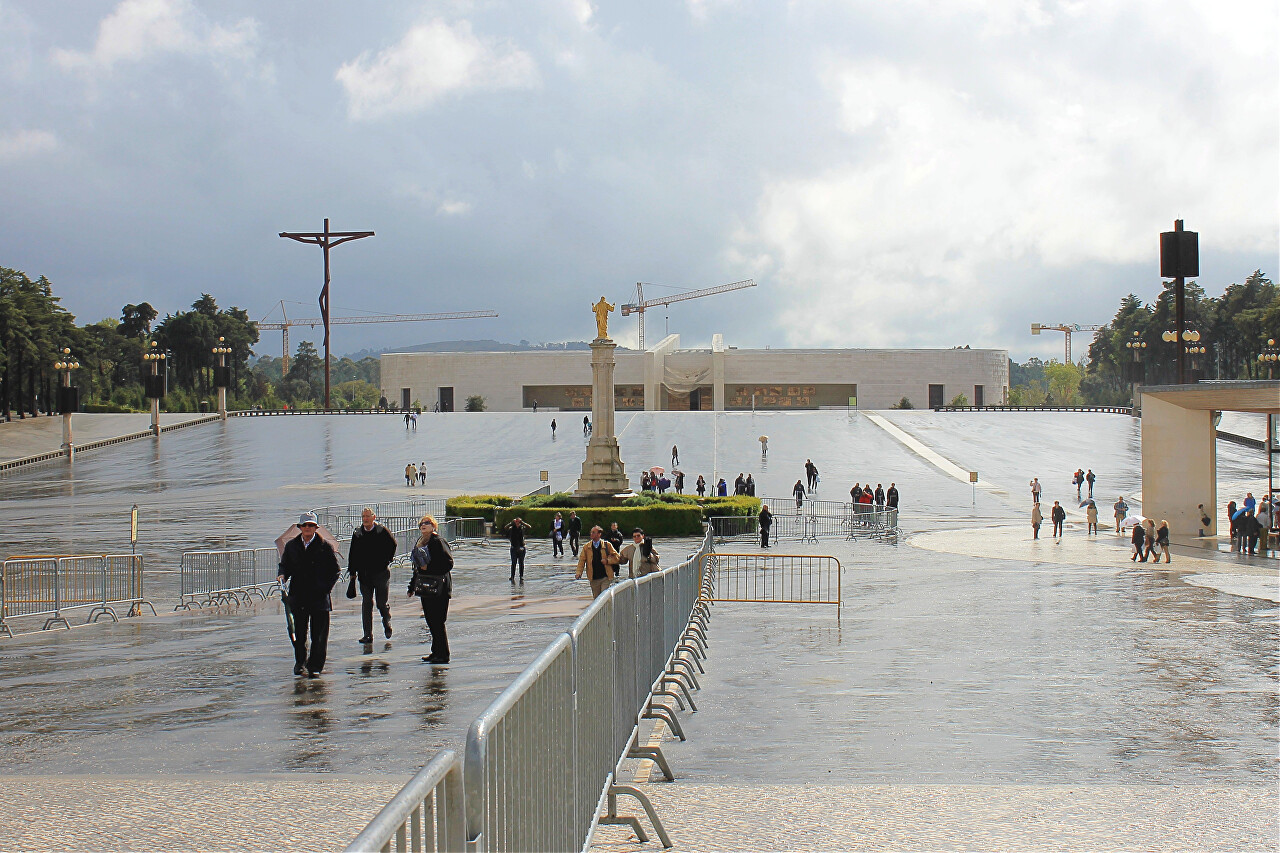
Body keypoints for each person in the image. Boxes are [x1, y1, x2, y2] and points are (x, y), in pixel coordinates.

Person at [278, 512, 341, 677]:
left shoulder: (324, 546)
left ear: (316, 528)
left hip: (319, 598)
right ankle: (300, 662)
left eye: (311, 525)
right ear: (300, 528)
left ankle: (315, 666)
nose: (308, 528)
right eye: (305, 525)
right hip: (298, 596)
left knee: (318, 635)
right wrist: (282, 574)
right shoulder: (292, 546)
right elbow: (284, 565)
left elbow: (335, 571)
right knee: (299, 632)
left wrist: (325, 588)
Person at [407, 515, 454, 664]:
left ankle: (443, 654)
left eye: (427, 523)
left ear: (433, 526)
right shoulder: (420, 542)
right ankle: (435, 652)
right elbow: (418, 568)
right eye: (421, 523)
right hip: (426, 588)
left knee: (438, 621)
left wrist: (430, 568)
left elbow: (448, 563)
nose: (423, 525)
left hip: (439, 588)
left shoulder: (438, 541)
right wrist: (412, 586)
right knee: (430, 621)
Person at [349, 508, 397, 644]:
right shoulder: (358, 533)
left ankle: (386, 620)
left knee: (381, 603)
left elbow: (393, 544)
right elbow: (352, 554)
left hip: (381, 573)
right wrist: (352, 573)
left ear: (373, 517)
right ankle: (367, 635)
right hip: (364, 575)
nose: (365, 519)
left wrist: (388, 559)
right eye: (363, 516)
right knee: (367, 603)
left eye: (367, 516)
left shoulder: (381, 531)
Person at [575, 525, 619, 598]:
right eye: (591, 532)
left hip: (606, 576)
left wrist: (607, 561)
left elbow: (617, 557)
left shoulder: (607, 545)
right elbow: (581, 561)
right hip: (593, 578)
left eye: (593, 532)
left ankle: (608, 609)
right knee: (596, 599)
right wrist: (579, 573)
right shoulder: (586, 547)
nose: (591, 534)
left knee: (604, 597)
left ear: (599, 534)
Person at [502, 516, 532, 582]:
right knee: (514, 562)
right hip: (514, 547)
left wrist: (523, 523)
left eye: (519, 522)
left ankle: (521, 576)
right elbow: (505, 528)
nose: (518, 523)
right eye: (516, 522)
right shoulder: (511, 528)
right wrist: (511, 523)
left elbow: (529, 527)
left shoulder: (522, 528)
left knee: (521, 562)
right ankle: (512, 576)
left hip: (522, 547)